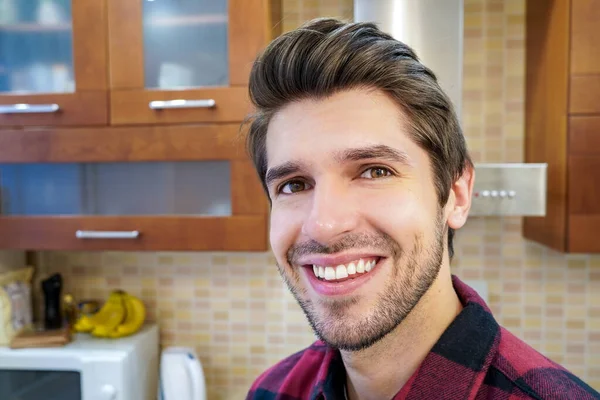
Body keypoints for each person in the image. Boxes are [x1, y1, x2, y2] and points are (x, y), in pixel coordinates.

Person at [242, 18, 600, 400]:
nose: (324, 224)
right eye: (293, 184)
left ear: (457, 194)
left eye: (375, 171)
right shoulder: (274, 390)